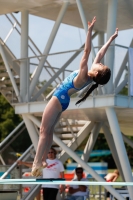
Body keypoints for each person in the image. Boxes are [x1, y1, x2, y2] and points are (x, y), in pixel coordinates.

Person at [31, 16, 118, 177]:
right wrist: (111, 39)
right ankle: (43, 160)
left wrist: (90, 31)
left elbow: (87, 51)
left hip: (58, 98)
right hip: (63, 102)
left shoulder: (84, 75)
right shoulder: (91, 76)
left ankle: (37, 162)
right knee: (49, 132)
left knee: (43, 130)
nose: (98, 62)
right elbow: (99, 52)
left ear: (97, 71)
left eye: (100, 64)